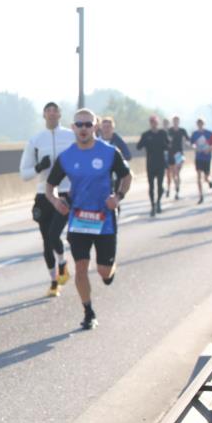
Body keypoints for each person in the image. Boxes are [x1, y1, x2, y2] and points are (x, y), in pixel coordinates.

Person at [45, 109, 132, 330]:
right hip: (79, 220)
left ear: (95, 127)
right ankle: (88, 311)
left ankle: (109, 270)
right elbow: (50, 186)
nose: (83, 128)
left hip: (105, 220)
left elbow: (126, 176)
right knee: (81, 268)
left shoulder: (110, 152)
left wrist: (118, 196)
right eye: (79, 124)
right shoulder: (66, 156)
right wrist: (56, 202)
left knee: (104, 272)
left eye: (87, 124)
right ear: (73, 127)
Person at [20, 101, 76, 297]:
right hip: (44, 194)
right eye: (48, 111)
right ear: (44, 115)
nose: (52, 114)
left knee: (54, 235)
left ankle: (62, 262)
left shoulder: (71, 136)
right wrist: (38, 167)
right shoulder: (36, 141)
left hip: (65, 192)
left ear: (60, 115)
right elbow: (24, 174)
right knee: (46, 241)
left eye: (55, 111)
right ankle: (54, 281)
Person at [136, 115, 170, 216]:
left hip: (161, 163)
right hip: (150, 163)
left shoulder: (162, 133)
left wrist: (165, 145)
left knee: (159, 185)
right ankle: (152, 206)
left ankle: (158, 202)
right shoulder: (146, 134)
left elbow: (168, 146)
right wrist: (145, 141)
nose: (154, 124)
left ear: (157, 123)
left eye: (155, 122)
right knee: (151, 186)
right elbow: (138, 147)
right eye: (152, 122)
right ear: (150, 123)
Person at [98, 116, 132, 196]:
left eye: (109, 127)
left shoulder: (118, 140)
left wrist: (118, 159)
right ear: (101, 128)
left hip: (115, 170)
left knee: (127, 174)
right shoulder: (96, 141)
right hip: (100, 170)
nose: (106, 129)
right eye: (104, 127)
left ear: (113, 128)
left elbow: (128, 154)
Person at [190, 118, 212, 203]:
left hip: (207, 158)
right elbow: (192, 144)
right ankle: (201, 196)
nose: (200, 124)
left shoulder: (209, 133)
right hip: (198, 157)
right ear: (197, 124)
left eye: (201, 123)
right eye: (198, 123)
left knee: (206, 177)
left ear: (204, 123)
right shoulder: (195, 134)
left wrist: (209, 149)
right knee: (198, 177)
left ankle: (209, 181)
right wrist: (195, 147)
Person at [166, 116, 189, 200]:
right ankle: (176, 187)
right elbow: (165, 140)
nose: (176, 122)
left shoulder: (182, 130)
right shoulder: (169, 131)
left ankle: (177, 190)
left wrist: (188, 143)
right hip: (170, 154)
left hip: (179, 154)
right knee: (173, 174)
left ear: (179, 122)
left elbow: (188, 139)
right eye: (174, 120)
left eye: (177, 121)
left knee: (177, 172)